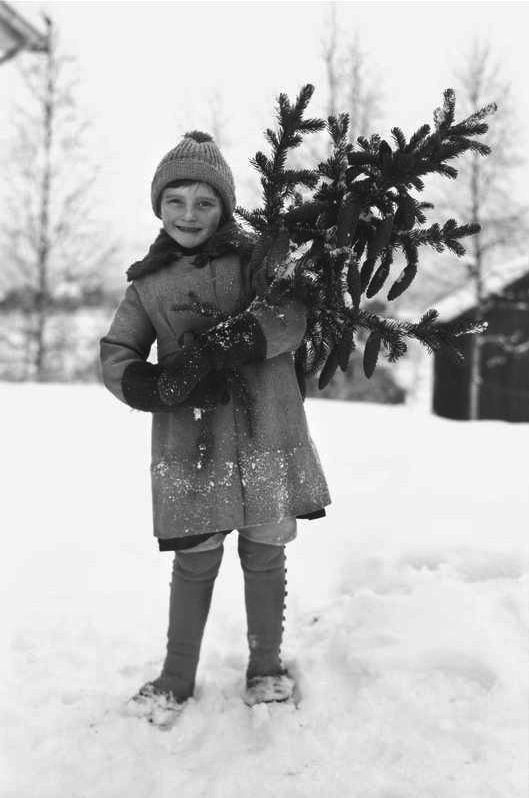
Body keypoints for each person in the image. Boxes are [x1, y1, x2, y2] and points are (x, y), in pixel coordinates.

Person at [99, 130, 331, 726]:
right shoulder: (147, 283)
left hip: (268, 429)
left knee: (265, 547)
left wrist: (242, 338)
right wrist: (152, 385)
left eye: (204, 203)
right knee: (195, 556)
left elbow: (292, 316)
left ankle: (267, 668)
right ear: (159, 206)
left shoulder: (258, 261)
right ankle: (177, 676)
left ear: (224, 207)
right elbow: (118, 351)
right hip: (191, 440)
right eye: (175, 201)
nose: (189, 215)